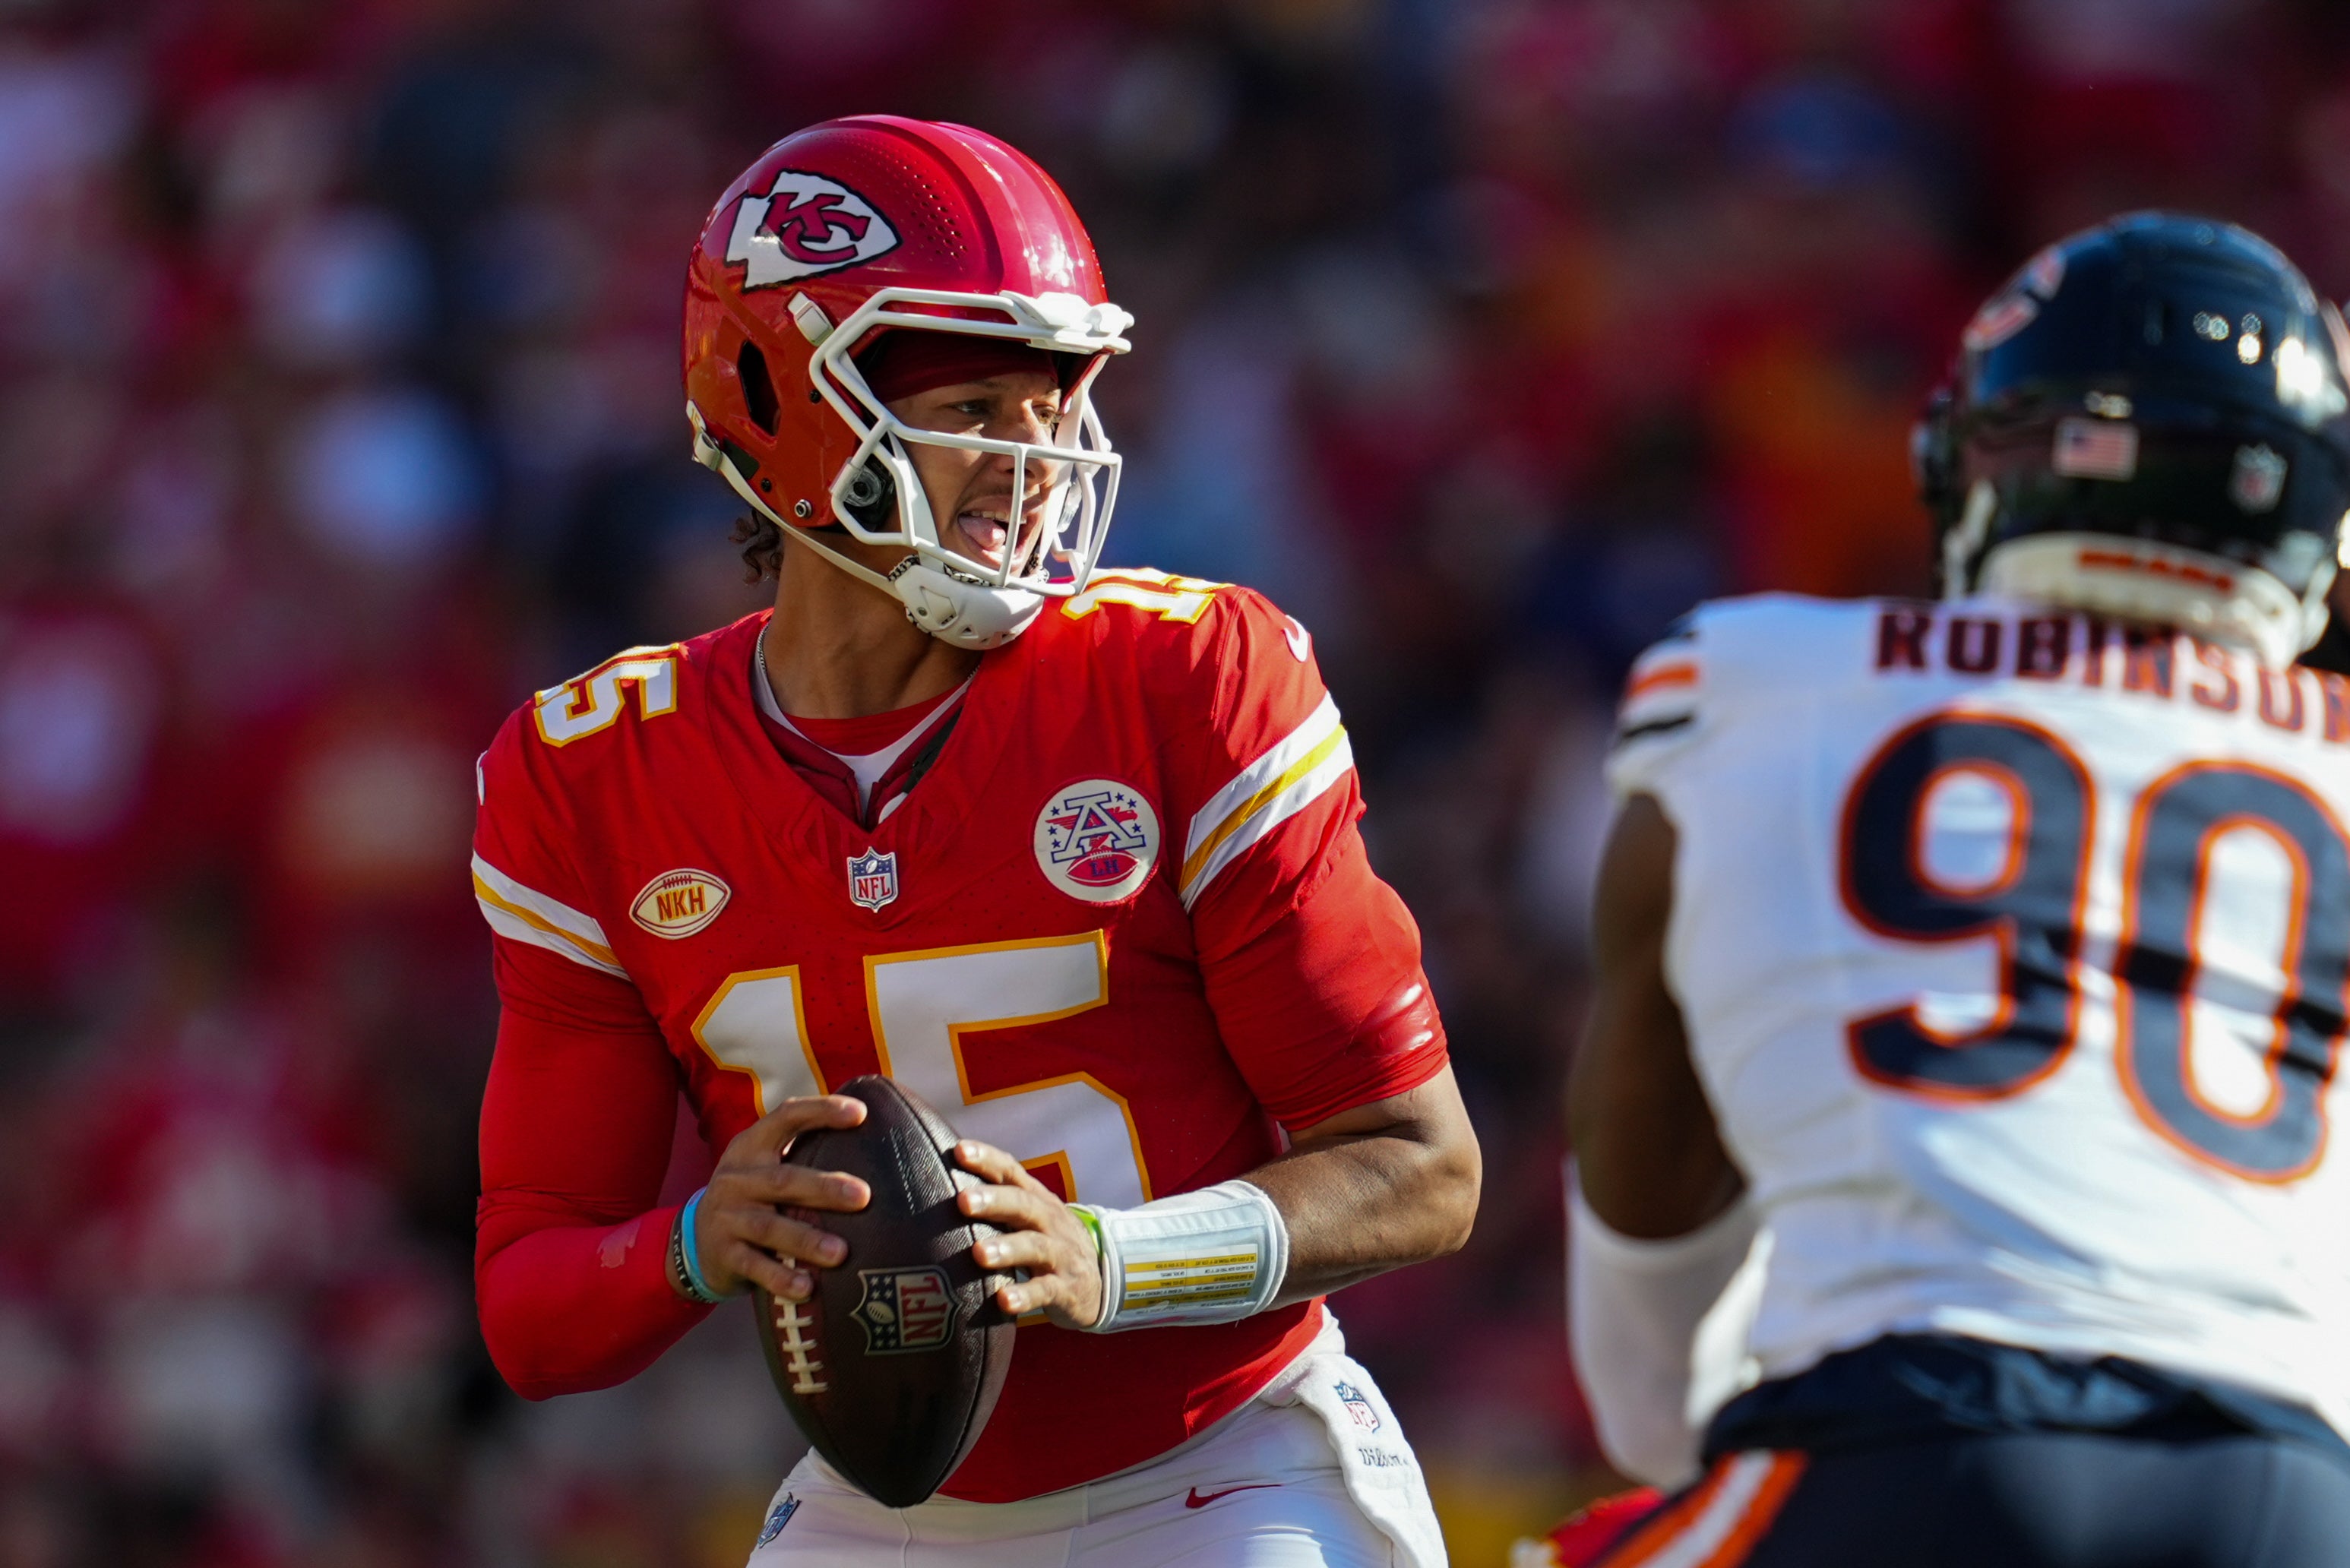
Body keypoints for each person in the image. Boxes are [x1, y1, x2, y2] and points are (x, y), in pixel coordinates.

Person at [467, 115, 1478, 1568]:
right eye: (980, 404)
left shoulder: (1181, 682)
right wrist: (697, 1245)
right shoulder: (591, 773)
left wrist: (1109, 1261)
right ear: (779, 397)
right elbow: (531, 1303)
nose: (1036, 459)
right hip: (883, 1516)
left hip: (1229, 1473)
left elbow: (1418, 1166)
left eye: (1053, 404)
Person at [1536, 213, 2350, 1566]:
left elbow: (1648, 1266)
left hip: (1911, 1435)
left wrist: (1667, 1418)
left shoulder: (1745, 683)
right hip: (2290, 1481)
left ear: (1982, 461)